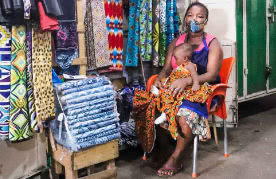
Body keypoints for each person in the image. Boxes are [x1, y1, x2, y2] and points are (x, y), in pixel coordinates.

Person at [153, 2, 223, 177]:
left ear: (205, 21)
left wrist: (187, 81)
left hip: (203, 89)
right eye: (190, 15)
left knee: (185, 113)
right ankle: (168, 149)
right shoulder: (177, 42)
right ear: (185, 19)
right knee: (154, 104)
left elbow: (213, 74)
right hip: (177, 86)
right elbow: (166, 69)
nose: (194, 19)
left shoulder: (212, 43)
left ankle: (176, 158)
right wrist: (160, 80)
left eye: (200, 16)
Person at [153, 43, 213, 126]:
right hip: (177, 86)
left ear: (185, 58)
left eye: (176, 58)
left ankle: (165, 114)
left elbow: (195, 75)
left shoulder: (189, 66)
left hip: (186, 89)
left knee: (170, 95)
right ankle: (162, 99)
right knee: (167, 92)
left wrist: (196, 83)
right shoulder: (180, 67)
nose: (174, 60)